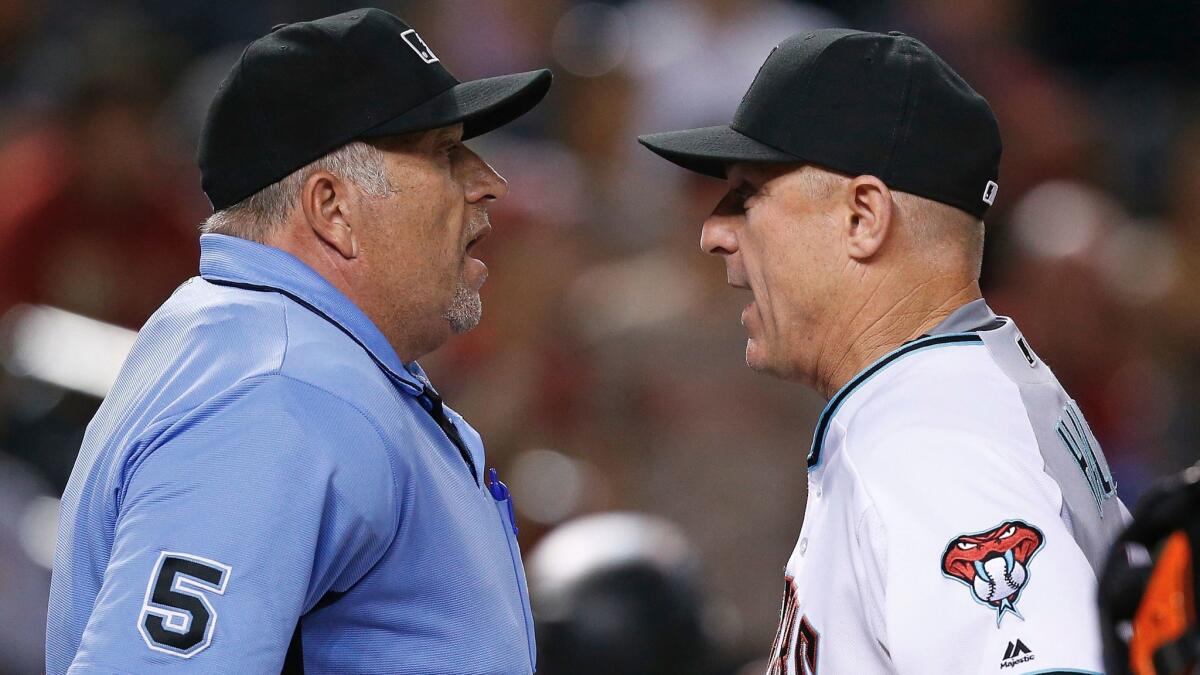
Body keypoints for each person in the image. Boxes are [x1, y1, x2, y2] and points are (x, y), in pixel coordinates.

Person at [45, 9, 551, 673]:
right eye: (444, 153)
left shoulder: (275, 348)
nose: (490, 182)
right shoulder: (279, 392)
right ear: (332, 207)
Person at [639, 29, 1127, 674]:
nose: (713, 233)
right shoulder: (965, 385)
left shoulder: (929, 438)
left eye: (748, 195)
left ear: (863, 217)